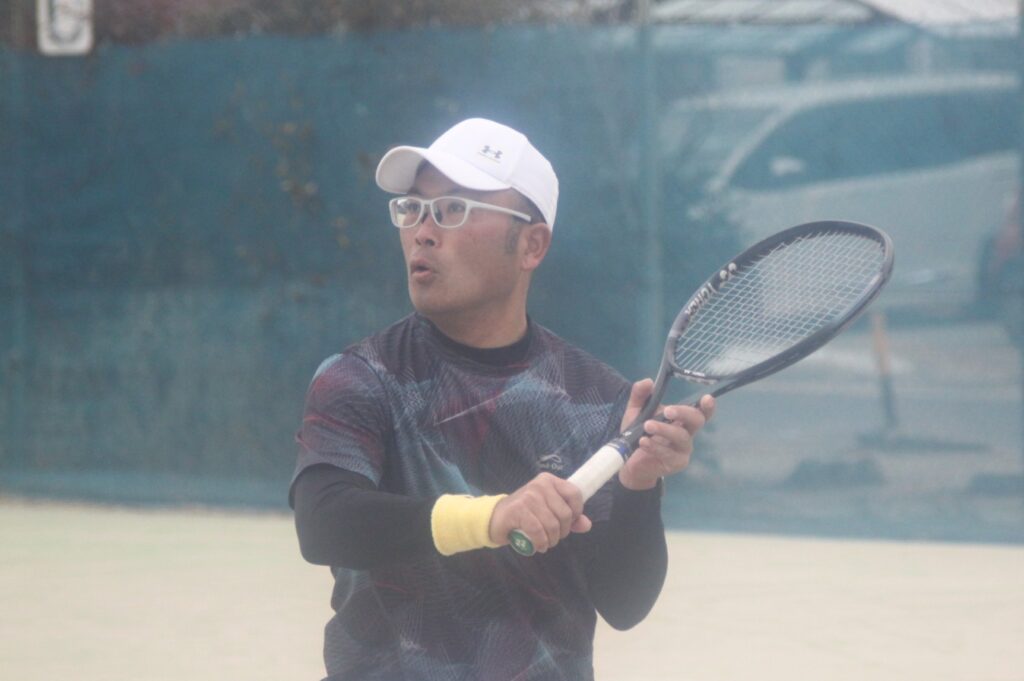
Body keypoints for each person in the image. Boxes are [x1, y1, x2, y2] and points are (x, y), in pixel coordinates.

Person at [290, 118, 715, 681]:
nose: (423, 231)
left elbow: (624, 603)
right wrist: (491, 517)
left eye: (453, 209)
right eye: (413, 209)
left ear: (531, 244)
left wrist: (640, 487)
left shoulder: (598, 399)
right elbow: (325, 523)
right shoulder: (360, 377)